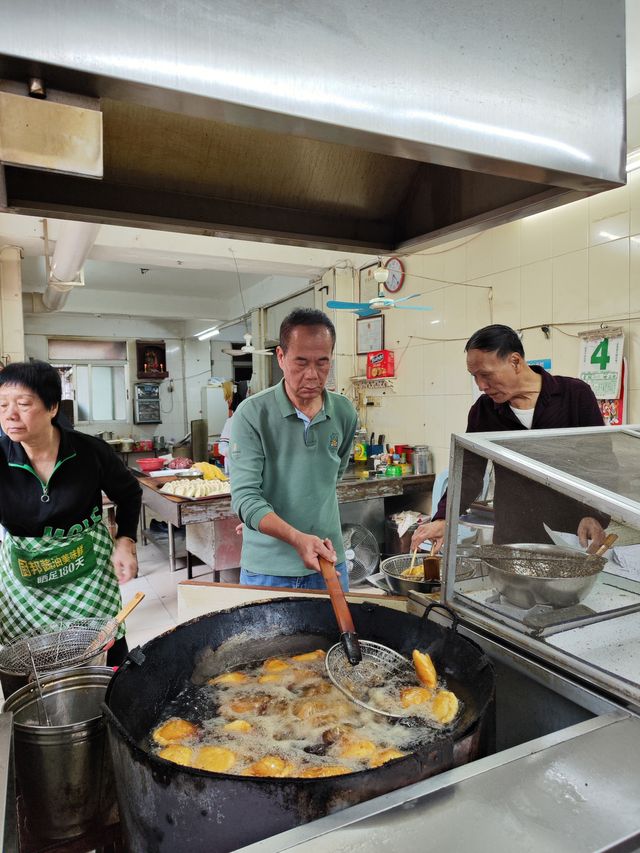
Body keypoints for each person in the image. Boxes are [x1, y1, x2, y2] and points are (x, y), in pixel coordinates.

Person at [411, 325, 609, 554]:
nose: (481, 386)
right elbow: (469, 473)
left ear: (515, 361)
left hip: (572, 534)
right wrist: (444, 517)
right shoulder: (484, 412)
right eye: (474, 376)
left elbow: (600, 464)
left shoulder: (574, 395)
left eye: (486, 374)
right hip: (513, 537)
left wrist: (595, 515)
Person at [0, 361, 142, 666]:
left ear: (52, 407)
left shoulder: (90, 452)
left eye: (23, 404)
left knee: (106, 649)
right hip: (25, 582)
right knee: (28, 662)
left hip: (87, 573)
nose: (10, 415)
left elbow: (129, 493)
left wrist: (126, 541)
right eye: (2, 405)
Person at [230, 308, 358, 590]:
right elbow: (245, 498)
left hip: (328, 560)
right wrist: (292, 535)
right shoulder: (252, 414)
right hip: (268, 568)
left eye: (322, 363)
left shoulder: (344, 412)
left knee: (337, 636)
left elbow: (331, 478)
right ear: (280, 357)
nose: (312, 375)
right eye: (301, 363)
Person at [218, 390, 242, 475]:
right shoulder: (231, 422)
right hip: (234, 467)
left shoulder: (253, 421)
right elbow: (222, 447)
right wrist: (236, 454)